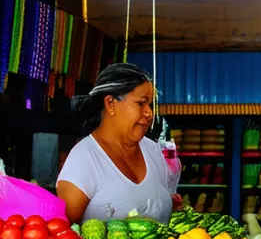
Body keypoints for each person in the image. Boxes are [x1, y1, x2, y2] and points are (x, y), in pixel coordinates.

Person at [58, 63, 175, 223]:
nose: (149, 113)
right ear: (110, 104)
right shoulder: (84, 159)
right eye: (141, 103)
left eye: (150, 104)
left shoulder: (153, 152)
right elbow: (65, 232)